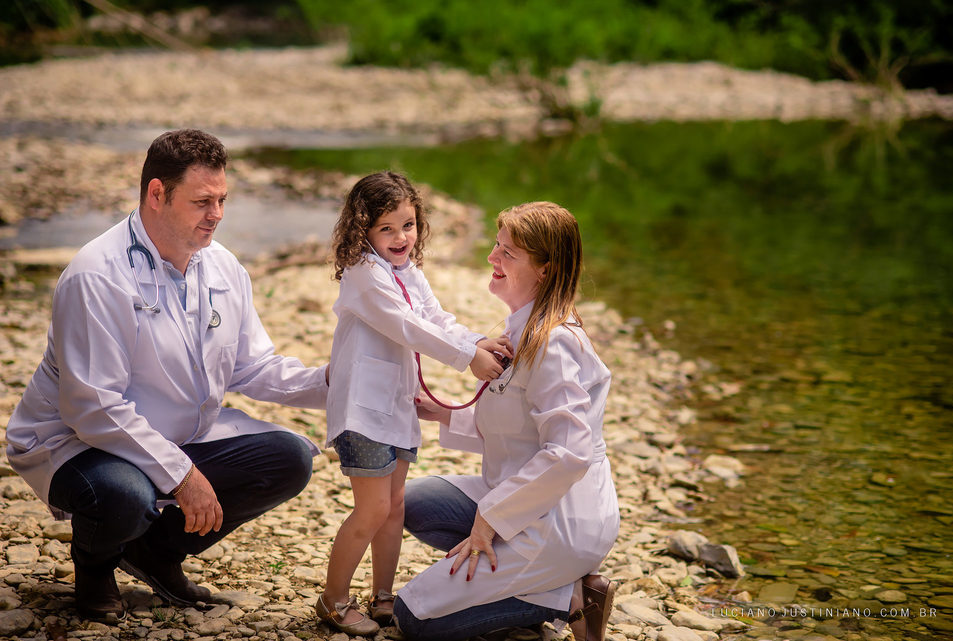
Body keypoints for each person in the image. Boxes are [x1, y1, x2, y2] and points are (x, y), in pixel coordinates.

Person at [4, 129, 329, 621]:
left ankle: (154, 553)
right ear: (157, 193)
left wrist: (341, 385)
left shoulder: (223, 267)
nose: (217, 213)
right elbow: (93, 407)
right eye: (202, 201)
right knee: (127, 495)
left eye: (222, 199)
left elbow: (254, 366)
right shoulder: (98, 274)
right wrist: (182, 476)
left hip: (175, 433)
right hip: (78, 442)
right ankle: (95, 567)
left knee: (287, 458)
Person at [394, 201, 621, 641]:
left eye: (508, 254)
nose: (491, 259)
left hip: (563, 521)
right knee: (416, 502)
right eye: (496, 247)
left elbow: (569, 452)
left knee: (413, 618)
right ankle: (542, 588)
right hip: (525, 491)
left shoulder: (552, 342)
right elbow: (519, 429)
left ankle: (568, 598)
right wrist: (441, 412)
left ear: (545, 269)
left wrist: (490, 520)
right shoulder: (523, 326)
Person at [316, 171, 512, 636]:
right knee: (371, 511)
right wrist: (470, 358)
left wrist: (478, 338)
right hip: (364, 412)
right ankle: (333, 599)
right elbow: (409, 327)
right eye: (387, 228)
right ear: (362, 231)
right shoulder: (365, 275)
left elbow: (435, 318)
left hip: (396, 405)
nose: (401, 237)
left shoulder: (407, 271)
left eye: (408, 225)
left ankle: (383, 596)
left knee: (395, 505)